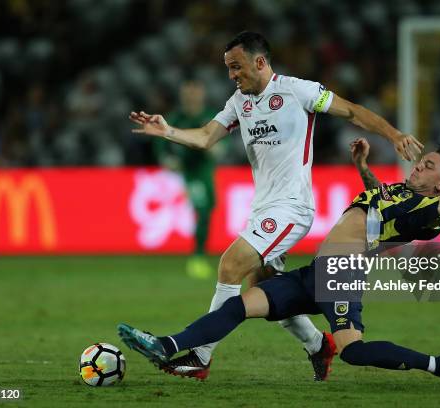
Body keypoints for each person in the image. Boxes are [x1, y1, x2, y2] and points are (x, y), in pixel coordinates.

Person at [129, 31, 423, 380]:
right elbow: (207, 136)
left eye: (236, 67)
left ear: (260, 62)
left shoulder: (298, 90)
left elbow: (352, 111)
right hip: (263, 207)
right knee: (264, 286)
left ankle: (200, 356)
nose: (232, 76)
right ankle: (318, 345)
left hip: (292, 206)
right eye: (228, 69)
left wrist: (394, 135)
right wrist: (168, 132)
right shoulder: (240, 101)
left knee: (230, 265)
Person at [118, 138, 440, 385]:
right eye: (422, 159)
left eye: (429, 166)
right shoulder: (395, 193)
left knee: (354, 351)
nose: (419, 164)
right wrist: (362, 167)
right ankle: (167, 345)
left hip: (342, 274)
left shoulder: (428, 210)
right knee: (240, 305)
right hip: (315, 272)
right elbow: (375, 199)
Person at [154, 80, 219, 279]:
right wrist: (167, 159)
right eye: (188, 94)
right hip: (190, 172)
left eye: (194, 93)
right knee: (202, 209)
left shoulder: (210, 116)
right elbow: (161, 143)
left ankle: (199, 255)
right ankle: (197, 258)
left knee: (210, 208)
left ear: (201, 95)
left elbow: (226, 140)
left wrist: (220, 149)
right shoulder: (176, 118)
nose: (191, 98)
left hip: (207, 171)